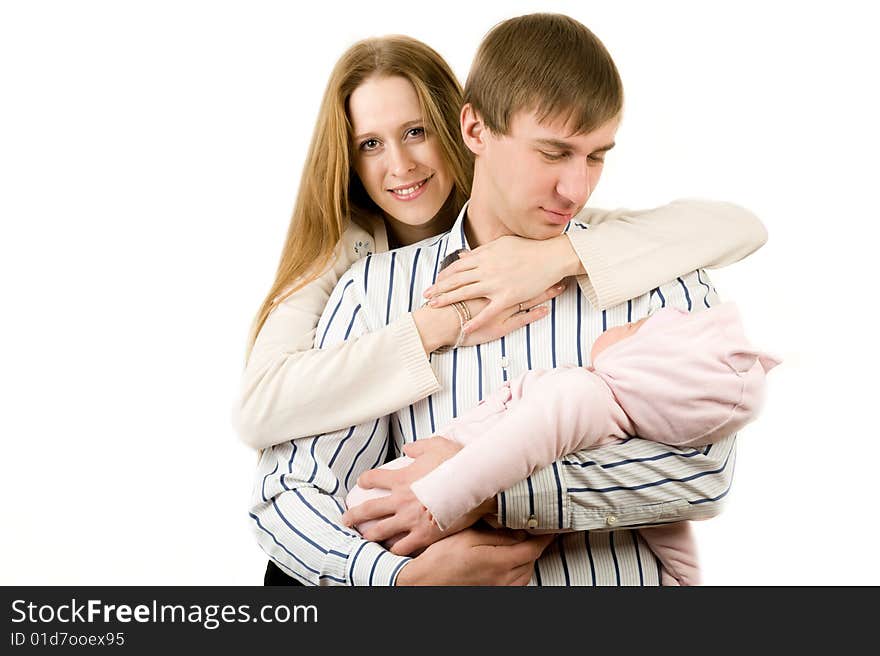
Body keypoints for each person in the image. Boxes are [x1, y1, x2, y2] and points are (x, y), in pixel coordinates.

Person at [246, 17, 765, 586]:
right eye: (552, 153)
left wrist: (483, 488)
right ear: (475, 128)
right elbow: (293, 490)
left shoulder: (659, 277)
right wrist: (393, 582)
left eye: (596, 157)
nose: (577, 188)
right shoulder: (372, 290)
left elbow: (706, 472)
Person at [343, 303, 780, 586]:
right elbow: (668, 524)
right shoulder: (627, 438)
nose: (626, 324)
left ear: (644, 363)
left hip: (416, 497)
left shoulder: (582, 394)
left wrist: (433, 501)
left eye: (638, 329)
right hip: (449, 520)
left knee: (365, 501)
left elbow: (513, 447)